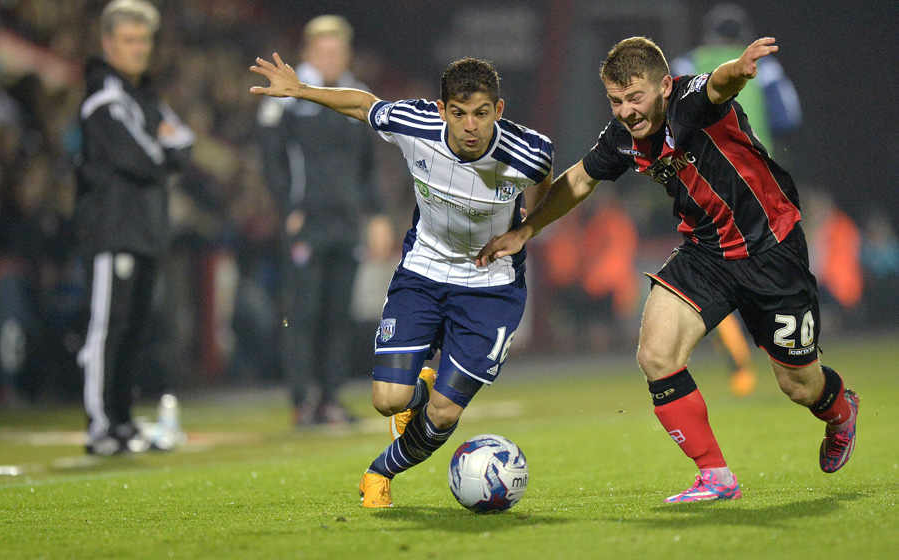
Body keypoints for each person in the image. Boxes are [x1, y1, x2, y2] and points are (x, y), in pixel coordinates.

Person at [477, 36, 858, 502]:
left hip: (771, 250)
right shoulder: (622, 137)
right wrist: (527, 229)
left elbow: (718, 85)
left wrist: (737, 69)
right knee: (656, 355)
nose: (626, 112)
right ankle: (715, 476)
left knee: (799, 384)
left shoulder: (689, 103)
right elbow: (579, 179)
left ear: (663, 85)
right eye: (616, 101)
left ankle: (840, 411)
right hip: (705, 254)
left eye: (635, 98)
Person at [251, 53, 553, 507]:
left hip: (491, 286)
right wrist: (301, 91)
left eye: (481, 113)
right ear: (440, 109)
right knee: (388, 400)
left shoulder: (526, 151)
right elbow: (362, 104)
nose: (470, 125)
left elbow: (548, 180)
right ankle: (420, 388)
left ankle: (380, 471)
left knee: (444, 412)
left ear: (499, 110)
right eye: (458, 112)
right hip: (424, 273)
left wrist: (527, 226)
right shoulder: (415, 124)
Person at [255, 15, 392, 426]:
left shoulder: (359, 96)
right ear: (309, 52)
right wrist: (288, 208)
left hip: (347, 220)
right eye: (324, 50)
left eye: (338, 50)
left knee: (339, 314)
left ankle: (330, 400)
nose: (332, 57)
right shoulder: (288, 97)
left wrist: (378, 215)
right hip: (307, 221)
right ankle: (302, 401)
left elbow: (369, 166)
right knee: (303, 311)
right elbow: (271, 158)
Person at [75, 0, 193, 455]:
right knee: (109, 329)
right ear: (108, 44)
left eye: (144, 40)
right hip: (113, 228)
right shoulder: (105, 97)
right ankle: (100, 425)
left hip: (146, 229)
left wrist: (165, 151)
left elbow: (184, 142)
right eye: (129, 40)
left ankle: (121, 421)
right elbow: (141, 156)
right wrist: (165, 151)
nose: (138, 49)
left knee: (135, 329)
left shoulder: (145, 97)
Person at [671, 3, 804, 397]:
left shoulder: (687, 61)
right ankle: (788, 354)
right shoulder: (765, 67)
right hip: (758, 184)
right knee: (772, 269)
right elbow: (789, 117)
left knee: (711, 271)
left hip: (701, 184)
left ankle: (739, 364)